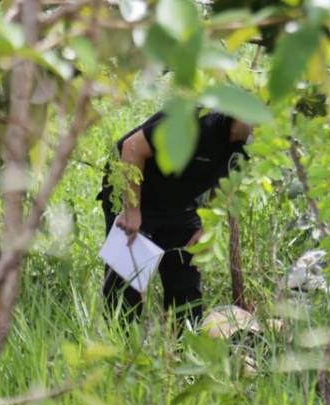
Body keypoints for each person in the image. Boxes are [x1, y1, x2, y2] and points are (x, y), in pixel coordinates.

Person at [97, 109, 252, 326]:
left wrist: (209, 226)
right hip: (135, 190)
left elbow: (227, 182)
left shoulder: (248, 146)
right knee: (127, 280)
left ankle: (181, 350)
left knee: (186, 281)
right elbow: (132, 148)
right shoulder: (199, 122)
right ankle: (119, 345)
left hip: (182, 201)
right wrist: (132, 210)